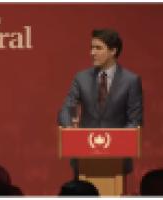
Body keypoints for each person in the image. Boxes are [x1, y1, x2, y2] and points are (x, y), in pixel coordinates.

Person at [58, 29, 143, 177]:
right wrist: (71, 125)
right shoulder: (81, 78)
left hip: (118, 160)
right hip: (84, 158)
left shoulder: (131, 81)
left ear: (113, 51)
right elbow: (68, 106)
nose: (92, 52)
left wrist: (115, 142)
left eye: (98, 48)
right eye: (91, 48)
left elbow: (134, 120)